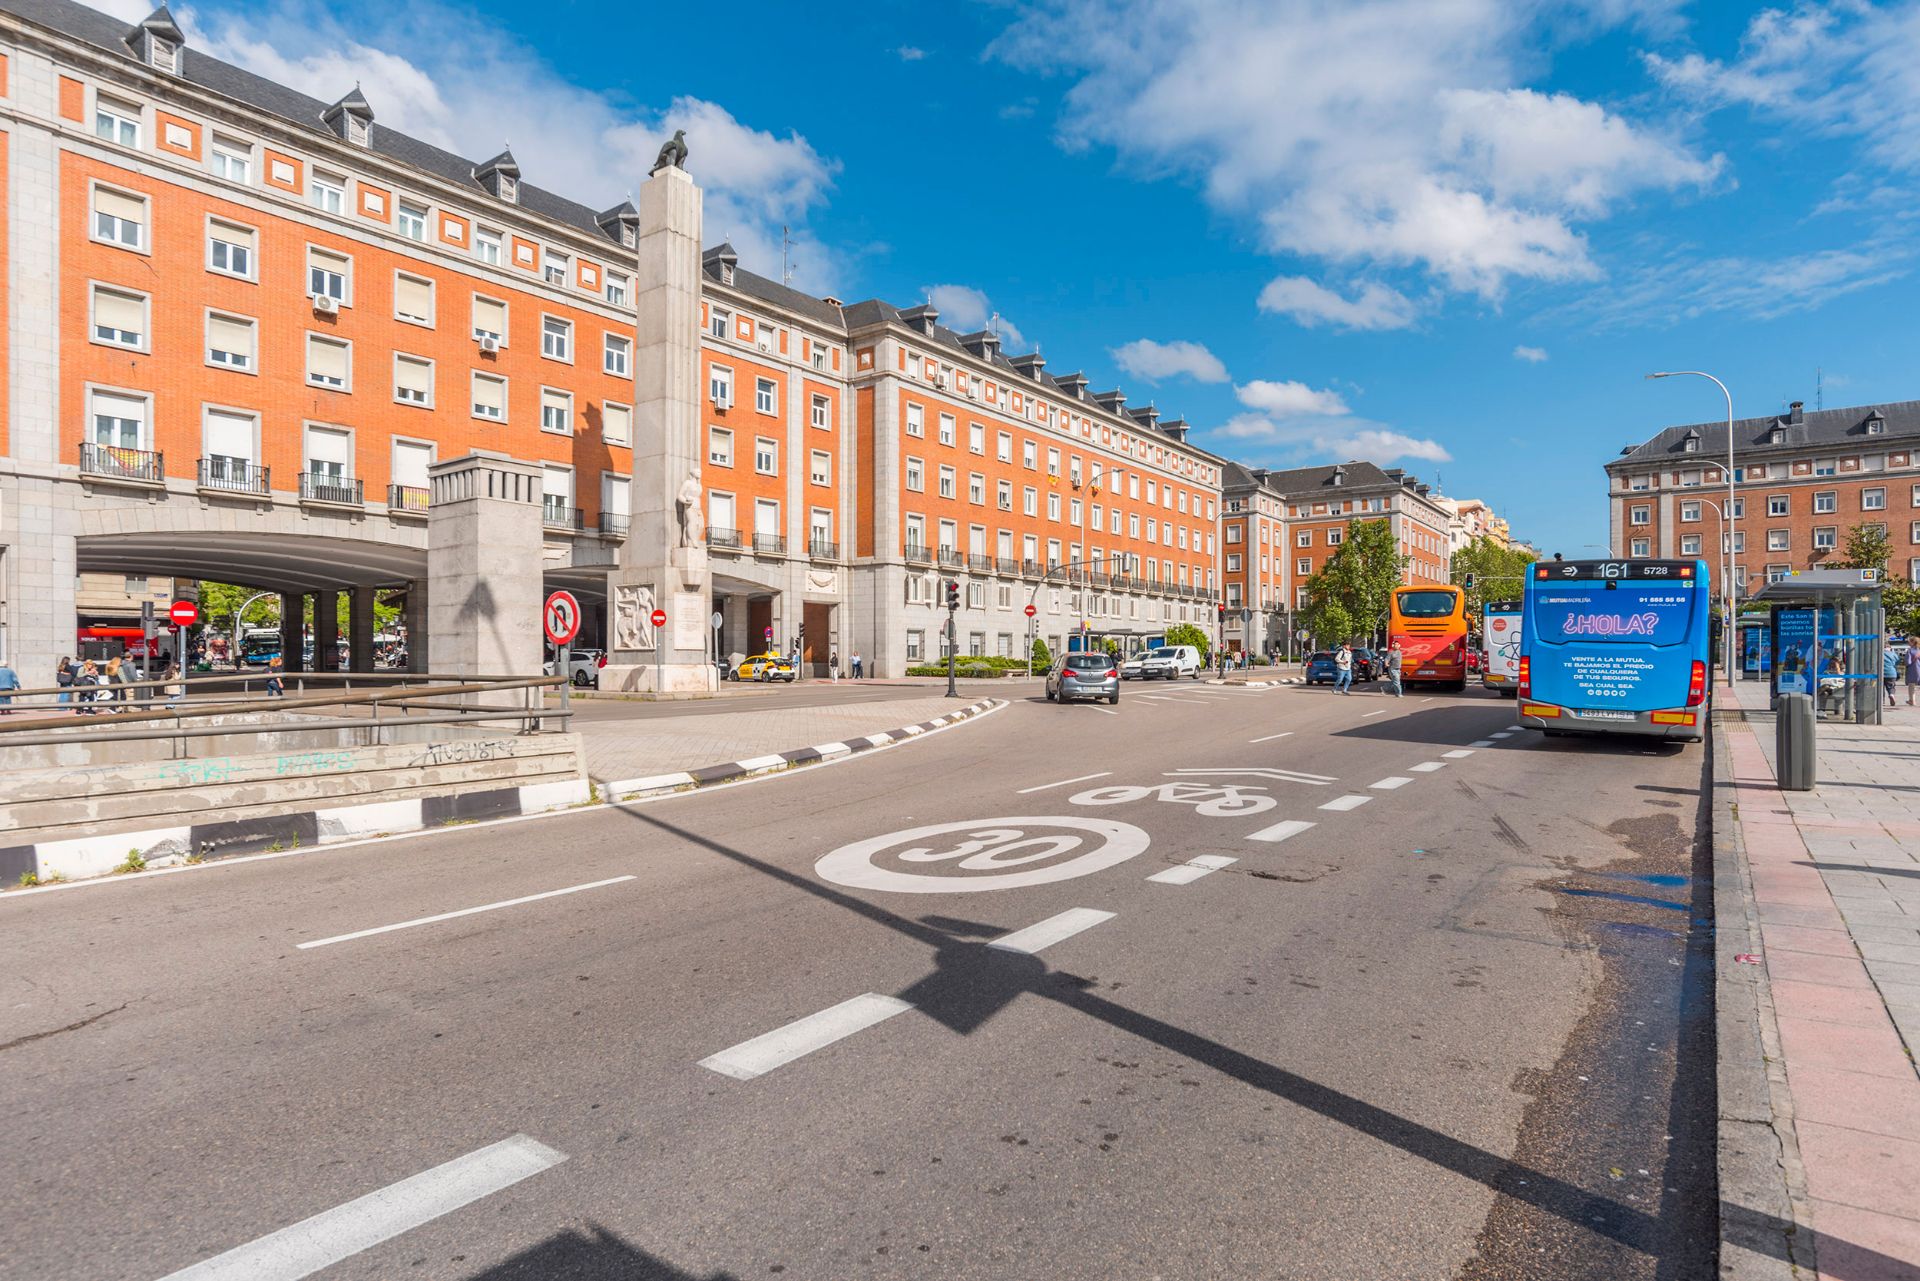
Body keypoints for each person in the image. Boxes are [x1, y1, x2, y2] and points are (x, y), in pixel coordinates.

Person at [1885, 642, 1901, 708]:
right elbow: (1898, 662)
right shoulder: (1893, 654)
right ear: (1890, 648)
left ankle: (1881, 700)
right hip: (1891, 673)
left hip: (1880, 673)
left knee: (1880, 688)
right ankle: (1891, 695)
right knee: (1891, 687)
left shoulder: (1879, 653)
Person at [1907, 636, 1920, 707]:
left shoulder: (1910, 651)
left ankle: (1912, 701)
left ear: (1912, 642)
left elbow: (1908, 662)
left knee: (1911, 685)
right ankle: (1912, 701)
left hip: (1913, 670)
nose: (1908, 643)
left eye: (1909, 642)